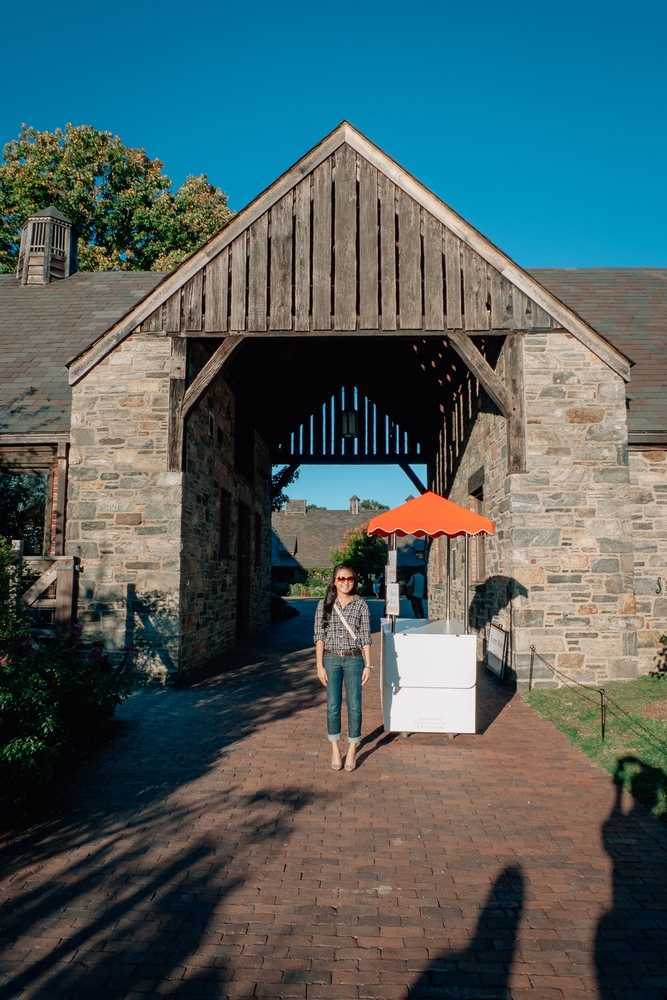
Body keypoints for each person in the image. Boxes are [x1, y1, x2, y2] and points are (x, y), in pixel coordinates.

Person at [314, 564, 372, 772]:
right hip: (331, 659)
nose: (346, 582)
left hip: (354, 659)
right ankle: (336, 750)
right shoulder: (324, 605)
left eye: (350, 579)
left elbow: (365, 637)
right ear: (334, 581)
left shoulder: (361, 605)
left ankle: (353, 747)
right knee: (333, 706)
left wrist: (368, 665)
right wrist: (319, 665)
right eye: (341, 579)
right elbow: (319, 637)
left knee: (355, 706)